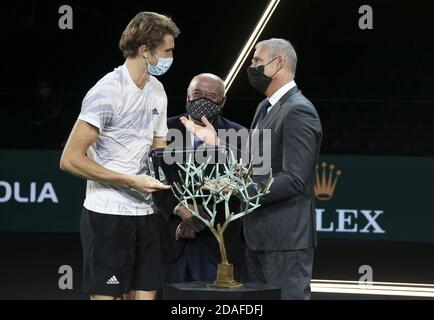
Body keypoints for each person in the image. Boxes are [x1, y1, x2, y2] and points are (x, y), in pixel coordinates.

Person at [180, 39, 322, 299]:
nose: (252, 66)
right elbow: (252, 164)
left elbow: (295, 180)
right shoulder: (264, 108)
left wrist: (236, 187)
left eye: (257, 61)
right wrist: (217, 143)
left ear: (278, 62)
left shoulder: (299, 110)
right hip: (257, 237)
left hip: (284, 240)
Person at [59, 12, 180, 300]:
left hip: (146, 215)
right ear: (145, 50)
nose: (171, 56)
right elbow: (70, 159)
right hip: (107, 216)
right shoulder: (106, 92)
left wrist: (187, 186)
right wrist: (128, 181)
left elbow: (158, 155)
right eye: (167, 51)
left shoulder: (158, 91)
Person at [155, 73, 246, 292]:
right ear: (187, 96)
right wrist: (180, 210)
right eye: (197, 94)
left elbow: (239, 178)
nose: (202, 100)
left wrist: (198, 216)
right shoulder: (162, 130)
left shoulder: (239, 134)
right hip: (170, 239)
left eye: (211, 96)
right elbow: (154, 175)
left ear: (222, 102)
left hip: (217, 243)